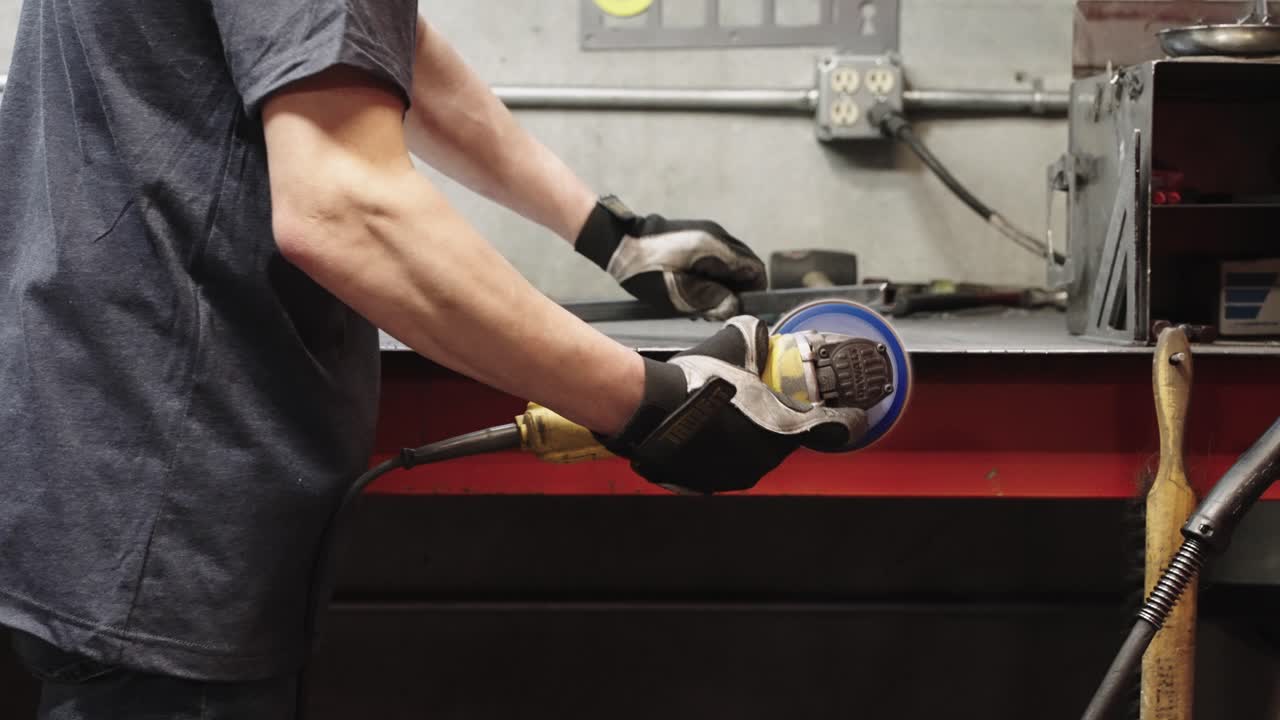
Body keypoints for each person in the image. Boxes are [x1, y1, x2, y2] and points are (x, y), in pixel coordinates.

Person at [0, 2, 868, 717]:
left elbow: (370, 42)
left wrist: (611, 236)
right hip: (170, 499)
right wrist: (651, 402)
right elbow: (343, 210)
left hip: (115, 455)